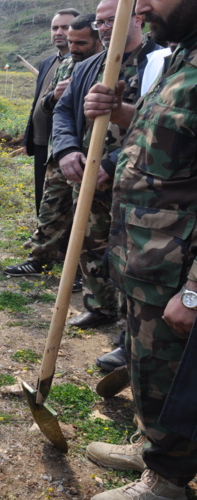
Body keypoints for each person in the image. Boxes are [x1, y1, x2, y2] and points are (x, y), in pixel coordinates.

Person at [81, 1, 197, 497]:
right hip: (144, 258)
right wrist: (121, 112)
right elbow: (169, 144)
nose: (142, 5)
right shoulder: (182, 57)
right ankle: (154, 444)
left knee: (172, 376)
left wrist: (195, 291)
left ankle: (167, 482)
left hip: (178, 272)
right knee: (149, 368)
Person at [51, 0, 162, 332]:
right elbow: (63, 111)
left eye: (113, 20)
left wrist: (111, 163)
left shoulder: (157, 63)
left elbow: (155, 128)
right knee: (87, 239)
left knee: (131, 252)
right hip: (86, 174)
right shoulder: (88, 67)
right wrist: (68, 150)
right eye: (100, 22)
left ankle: (131, 330)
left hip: (136, 182)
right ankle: (99, 305)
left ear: (137, 19)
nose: (105, 27)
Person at [4, 13, 104, 292]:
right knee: (51, 207)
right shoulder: (66, 66)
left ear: (98, 41)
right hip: (63, 150)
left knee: (90, 218)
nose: (72, 48)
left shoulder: (109, 67)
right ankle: (40, 259)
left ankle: (85, 273)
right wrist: (56, 96)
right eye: (70, 41)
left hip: (96, 153)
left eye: (80, 43)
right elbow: (48, 108)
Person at [24, 9, 80, 214]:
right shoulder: (47, 62)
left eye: (65, 27)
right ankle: (42, 233)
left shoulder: (85, 63)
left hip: (62, 144)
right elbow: (38, 102)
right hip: (40, 141)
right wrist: (27, 138)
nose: (59, 32)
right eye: (55, 27)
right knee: (42, 193)